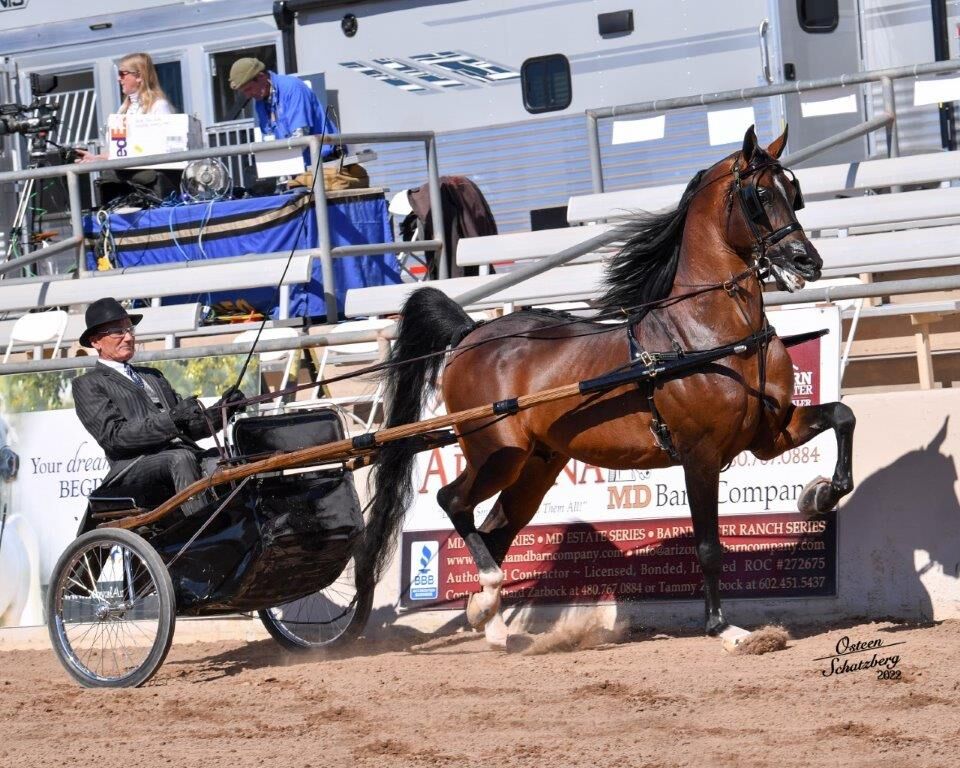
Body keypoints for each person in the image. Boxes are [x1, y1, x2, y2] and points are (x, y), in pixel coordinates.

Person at [72, 297, 243, 517]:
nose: (128, 337)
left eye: (130, 330)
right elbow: (114, 438)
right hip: (133, 464)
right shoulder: (88, 383)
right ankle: (200, 531)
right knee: (180, 458)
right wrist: (171, 419)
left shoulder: (153, 376)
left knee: (232, 455)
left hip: (180, 453)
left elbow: (188, 427)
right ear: (96, 341)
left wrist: (223, 409)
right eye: (118, 332)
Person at [228, 57, 340, 163]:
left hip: (324, 162)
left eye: (249, 89)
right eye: (244, 92)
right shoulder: (260, 101)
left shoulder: (292, 87)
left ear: (261, 76)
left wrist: (282, 166)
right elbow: (269, 138)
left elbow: (301, 136)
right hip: (298, 165)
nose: (248, 95)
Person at [76, 52, 174, 164]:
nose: (118, 79)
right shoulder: (123, 109)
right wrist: (96, 158)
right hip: (126, 173)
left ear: (139, 76)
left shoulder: (158, 105)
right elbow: (120, 153)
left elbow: (163, 148)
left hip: (148, 175)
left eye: (122, 74)